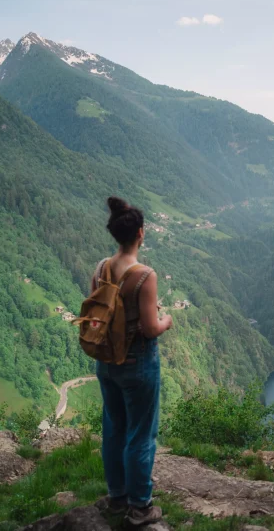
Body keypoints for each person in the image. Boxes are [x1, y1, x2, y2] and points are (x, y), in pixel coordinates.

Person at [93, 196, 173, 527]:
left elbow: (97, 314)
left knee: (114, 428)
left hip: (106, 361)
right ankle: (140, 507)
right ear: (140, 233)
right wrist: (167, 319)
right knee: (141, 434)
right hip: (138, 363)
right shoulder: (144, 275)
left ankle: (117, 497)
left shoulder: (101, 268)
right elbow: (151, 329)